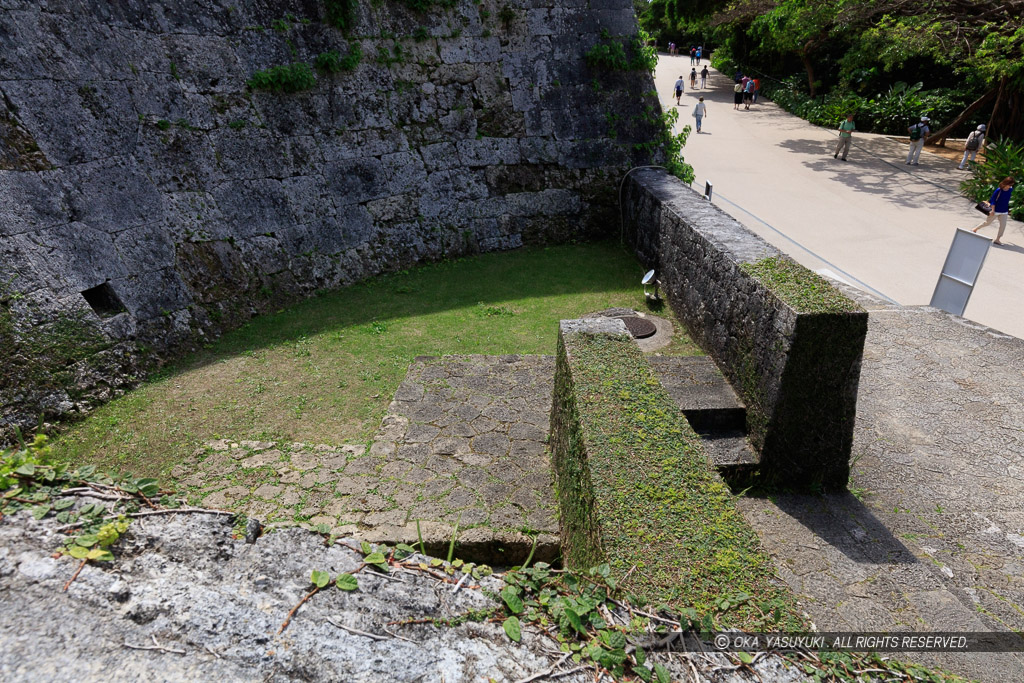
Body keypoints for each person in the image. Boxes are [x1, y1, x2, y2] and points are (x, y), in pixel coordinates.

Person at [971, 177, 1015, 245]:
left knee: (1003, 226)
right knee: (987, 223)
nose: (1010, 186)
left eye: (1011, 185)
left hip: (1004, 211)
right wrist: (992, 210)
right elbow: (993, 201)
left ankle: (997, 239)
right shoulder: (998, 190)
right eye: (1009, 185)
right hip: (996, 210)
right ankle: (975, 229)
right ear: (1006, 183)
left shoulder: (1010, 189)